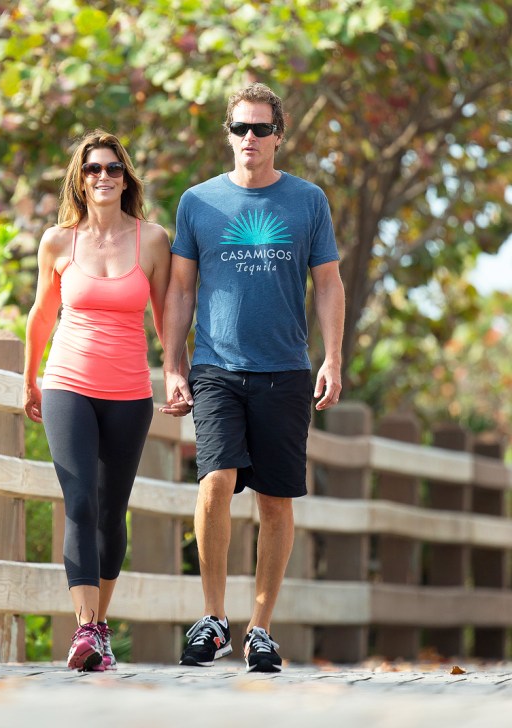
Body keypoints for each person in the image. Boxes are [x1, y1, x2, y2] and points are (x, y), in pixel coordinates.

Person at [161, 83, 345, 673]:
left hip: (286, 369)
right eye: (240, 128)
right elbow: (182, 288)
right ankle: (214, 619)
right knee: (215, 480)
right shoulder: (199, 203)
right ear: (229, 134)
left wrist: (333, 358)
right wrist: (172, 364)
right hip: (217, 366)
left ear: (278, 136)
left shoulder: (308, 200)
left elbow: (329, 285)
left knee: (276, 500)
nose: (249, 139)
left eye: (260, 129)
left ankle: (259, 629)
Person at [24, 130, 171, 672]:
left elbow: (165, 318)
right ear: (79, 181)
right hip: (67, 384)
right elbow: (42, 315)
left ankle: (100, 625)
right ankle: (83, 631)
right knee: (80, 502)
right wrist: (29, 377)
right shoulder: (58, 242)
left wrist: (176, 371)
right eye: (92, 170)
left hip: (130, 393)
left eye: (112, 168)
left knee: (112, 513)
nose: (103, 177)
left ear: (125, 178)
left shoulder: (152, 240)